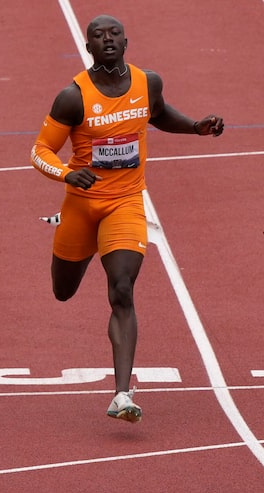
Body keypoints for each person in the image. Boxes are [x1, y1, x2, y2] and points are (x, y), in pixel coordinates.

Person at [31, 14, 224, 422]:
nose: (108, 40)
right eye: (98, 36)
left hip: (127, 203)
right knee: (62, 291)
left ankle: (122, 393)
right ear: (88, 48)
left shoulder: (147, 82)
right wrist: (67, 172)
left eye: (114, 33)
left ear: (126, 40)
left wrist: (195, 127)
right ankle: (76, 240)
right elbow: (40, 152)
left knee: (121, 288)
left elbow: (157, 113)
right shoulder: (73, 97)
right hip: (81, 207)